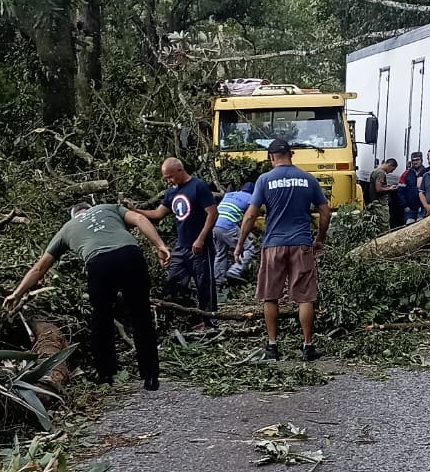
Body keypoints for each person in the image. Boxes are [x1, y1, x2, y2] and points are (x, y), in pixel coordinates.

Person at [3, 201, 168, 390]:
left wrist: (16, 293)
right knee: (141, 314)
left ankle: (106, 376)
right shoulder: (109, 208)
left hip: (99, 263)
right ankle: (150, 377)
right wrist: (160, 246)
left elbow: (39, 268)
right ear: (91, 208)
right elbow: (139, 218)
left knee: (102, 319)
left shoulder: (67, 229)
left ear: (74, 215)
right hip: (129, 255)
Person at [234, 137, 332, 363]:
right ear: (292, 155)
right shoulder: (307, 179)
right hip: (301, 243)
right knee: (305, 297)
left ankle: (272, 347)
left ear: (271, 158)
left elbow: (250, 215)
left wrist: (239, 244)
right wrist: (320, 239)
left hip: (273, 245)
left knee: (271, 296)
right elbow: (325, 212)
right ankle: (307, 347)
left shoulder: (264, 180)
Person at [142, 158, 218, 323]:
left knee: (204, 284)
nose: (169, 181)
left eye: (170, 177)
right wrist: (134, 211)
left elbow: (212, 214)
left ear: (180, 170)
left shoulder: (199, 186)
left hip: (201, 246)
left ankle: (210, 321)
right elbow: (157, 214)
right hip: (181, 246)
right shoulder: (171, 193)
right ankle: (184, 316)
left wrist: (201, 238)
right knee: (173, 280)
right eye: (166, 178)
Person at [213, 180, 257, 284]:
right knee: (249, 248)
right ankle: (235, 271)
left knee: (220, 253)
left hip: (215, 225)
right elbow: (250, 217)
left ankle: (218, 281)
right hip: (228, 226)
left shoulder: (229, 194)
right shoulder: (251, 198)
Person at [368, 157, 398, 229]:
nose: (391, 172)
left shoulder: (375, 171)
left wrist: (387, 186)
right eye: (392, 169)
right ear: (389, 165)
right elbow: (379, 189)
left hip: (375, 203)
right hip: (381, 204)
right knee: (384, 226)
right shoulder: (381, 173)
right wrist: (390, 188)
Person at [399, 152, 425, 223]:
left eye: (417, 160)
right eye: (413, 160)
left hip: (424, 207)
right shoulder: (406, 174)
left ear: (422, 160)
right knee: (409, 227)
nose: (415, 162)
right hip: (410, 209)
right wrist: (405, 205)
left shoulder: (427, 173)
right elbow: (400, 191)